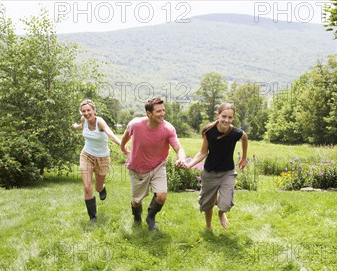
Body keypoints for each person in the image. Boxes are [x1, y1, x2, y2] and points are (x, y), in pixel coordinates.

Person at [120, 97, 187, 230]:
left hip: (158, 165)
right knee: (136, 201)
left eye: (163, 110)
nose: (162, 113)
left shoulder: (168, 128)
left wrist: (182, 158)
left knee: (161, 196)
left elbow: (178, 147)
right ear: (148, 114)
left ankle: (150, 217)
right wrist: (123, 147)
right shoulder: (136, 124)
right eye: (158, 111)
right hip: (138, 167)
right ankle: (137, 216)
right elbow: (126, 134)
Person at [182, 103, 248, 231]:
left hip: (227, 172)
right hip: (210, 172)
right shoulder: (209, 131)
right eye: (224, 116)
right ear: (217, 115)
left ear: (233, 118)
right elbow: (203, 152)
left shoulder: (235, 133)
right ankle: (208, 227)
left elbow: (245, 138)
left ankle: (221, 213)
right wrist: (189, 164)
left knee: (225, 203)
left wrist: (244, 158)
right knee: (207, 203)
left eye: (230, 117)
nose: (226, 120)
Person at [73, 99, 125, 222]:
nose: (86, 113)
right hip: (86, 155)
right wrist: (76, 127)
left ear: (94, 111)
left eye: (88, 110)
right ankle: (93, 217)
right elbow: (81, 127)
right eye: (83, 111)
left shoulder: (99, 122)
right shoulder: (83, 120)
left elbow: (110, 134)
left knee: (97, 187)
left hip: (103, 158)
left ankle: (102, 188)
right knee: (87, 187)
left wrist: (121, 145)